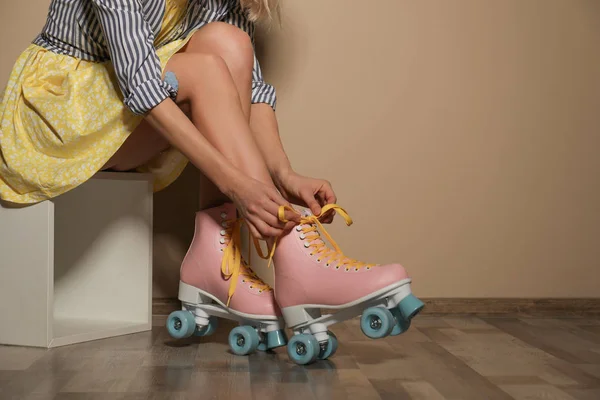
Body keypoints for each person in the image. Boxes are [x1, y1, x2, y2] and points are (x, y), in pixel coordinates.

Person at [1, 0, 422, 363]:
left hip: (122, 115)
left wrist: (284, 172)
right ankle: (294, 254)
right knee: (204, 70)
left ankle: (213, 257)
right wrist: (237, 184)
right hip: (57, 113)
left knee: (230, 44)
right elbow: (141, 86)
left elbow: (251, 90)